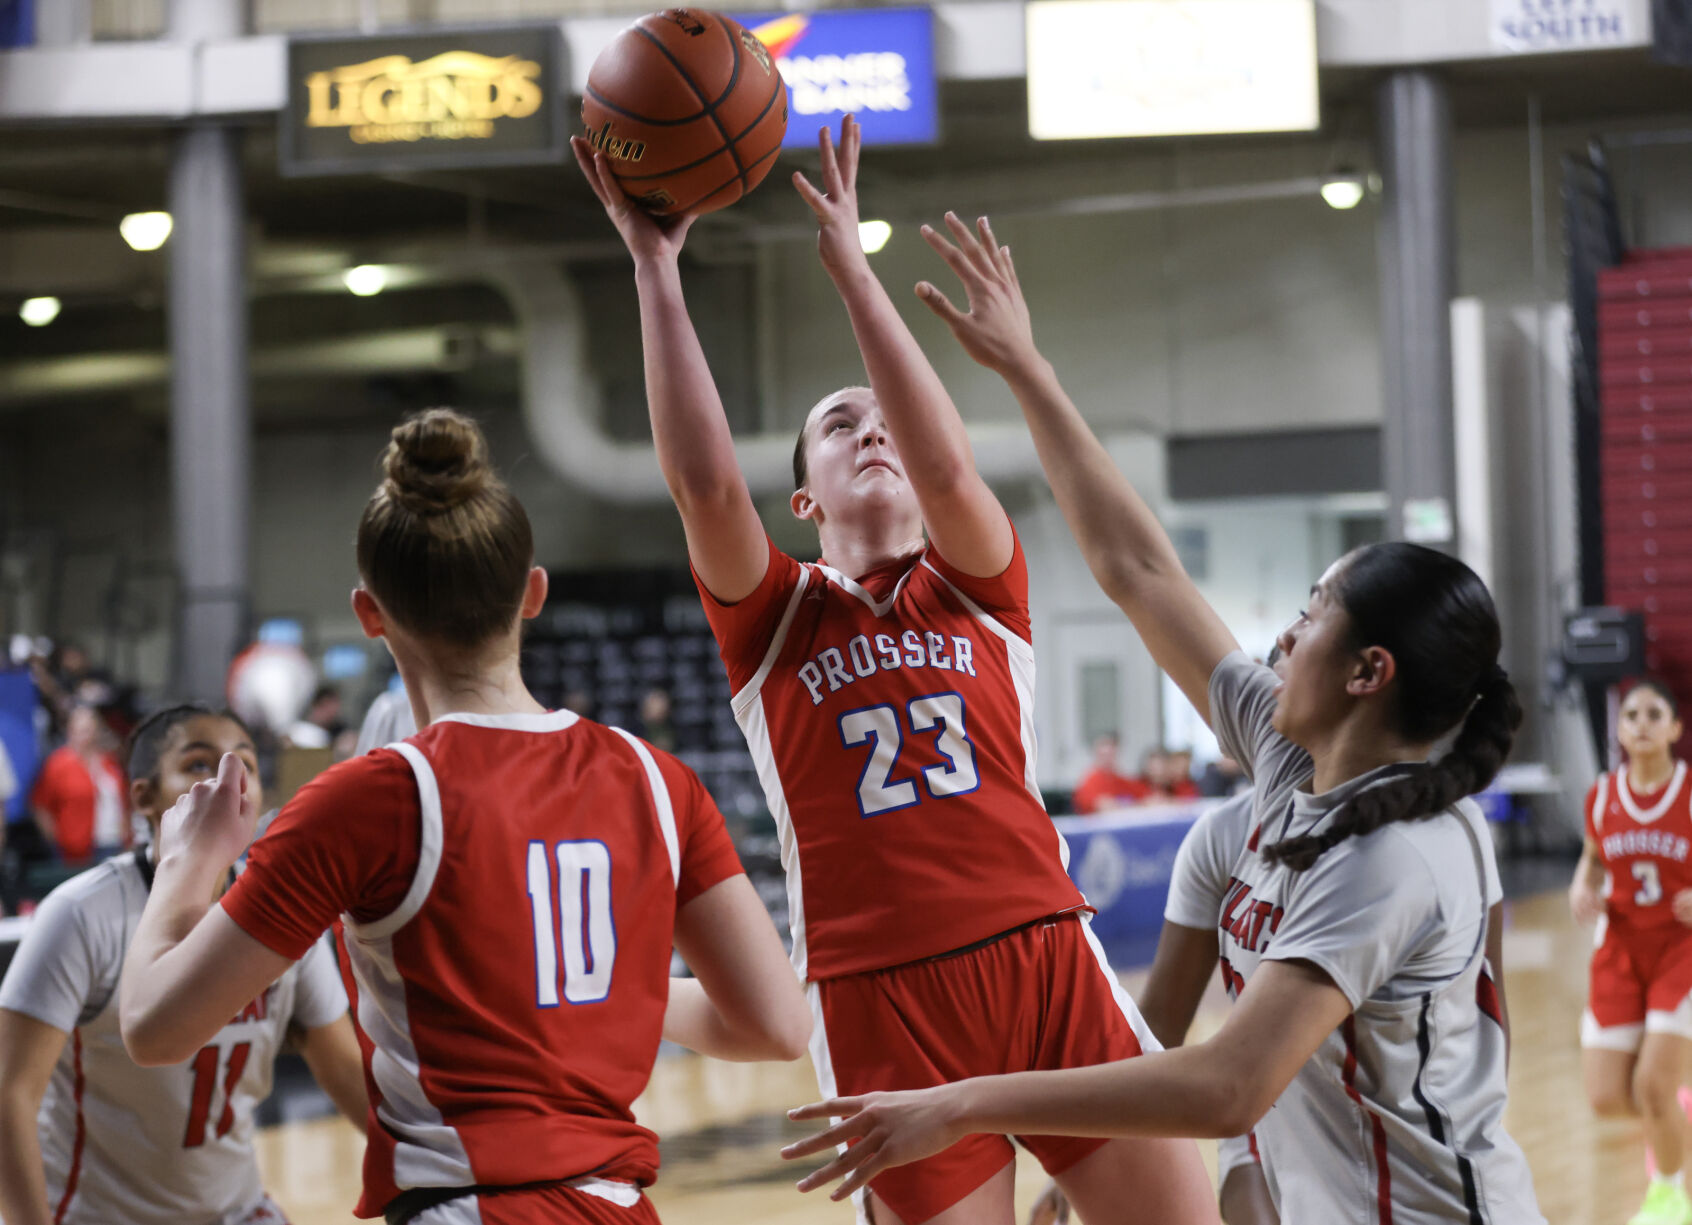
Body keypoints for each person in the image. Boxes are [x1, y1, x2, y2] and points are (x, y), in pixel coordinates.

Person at [782, 212, 1545, 1224]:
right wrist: (1027, 368)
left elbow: (1227, 1081)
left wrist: (965, 1105)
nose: (1284, 633)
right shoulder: (1288, 758)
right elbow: (1137, 570)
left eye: (1313, 615)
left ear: (1368, 671)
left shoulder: (1393, 857)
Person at [577, 119, 1215, 1225]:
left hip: (1043, 953)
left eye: (883, 420)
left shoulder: (976, 583)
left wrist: (854, 276)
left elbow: (948, 456)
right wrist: (654, 268)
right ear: (807, 500)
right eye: (837, 425)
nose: (868, 428)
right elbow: (706, 489)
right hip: (879, 994)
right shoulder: (774, 618)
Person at [115, 409, 809, 1225]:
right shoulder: (658, 779)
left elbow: (154, 1027)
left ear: (370, 613)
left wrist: (184, 863)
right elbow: (775, 1023)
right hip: (618, 1207)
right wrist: (581, 985)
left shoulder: (367, 801)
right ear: (534, 593)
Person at [0, 703, 367, 1225]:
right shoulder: (80, 913)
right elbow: (10, 1095)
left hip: (238, 1211)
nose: (228, 783)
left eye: (247, 766)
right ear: (144, 798)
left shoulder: (286, 908)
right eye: (199, 766)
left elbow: (345, 1070)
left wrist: (436, 1182)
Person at [1570, 678, 1692, 1225]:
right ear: (1619, 730)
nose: (1641, 722)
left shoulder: (1689, 793)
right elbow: (1595, 856)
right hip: (1619, 947)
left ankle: (1669, 1197)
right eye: (1632, 714)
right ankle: (1675, 1106)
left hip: (1680, 950)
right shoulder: (1601, 794)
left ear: (1674, 729)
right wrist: (1581, 884)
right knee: (1605, 1097)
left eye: (1653, 713)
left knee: (1650, 1086)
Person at [30, 704, 128, 866]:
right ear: (70, 730)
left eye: (90, 729)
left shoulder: (109, 761)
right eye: (81, 730)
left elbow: (123, 799)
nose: (86, 735)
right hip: (76, 849)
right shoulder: (58, 764)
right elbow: (40, 806)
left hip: (113, 841)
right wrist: (57, 840)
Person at [1071, 735, 1151, 814]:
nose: (1108, 759)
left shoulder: (1120, 780)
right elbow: (1097, 805)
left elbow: (1144, 795)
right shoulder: (1089, 782)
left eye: (1111, 755)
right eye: (1104, 755)